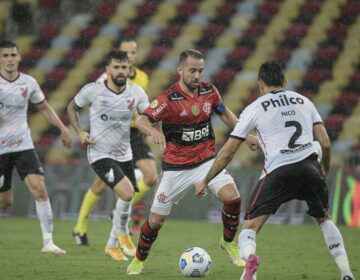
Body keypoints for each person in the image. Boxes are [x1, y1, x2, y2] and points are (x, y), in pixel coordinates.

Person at [195, 61, 355, 280]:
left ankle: (250, 261)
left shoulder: (255, 107)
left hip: (278, 170)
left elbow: (228, 152)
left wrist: (206, 179)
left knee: (250, 227)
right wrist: (324, 169)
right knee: (324, 218)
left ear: (260, 85)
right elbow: (325, 143)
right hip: (310, 165)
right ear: (285, 81)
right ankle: (346, 272)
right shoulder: (304, 101)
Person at [126, 49, 260, 275]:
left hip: (206, 161)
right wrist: (153, 132)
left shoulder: (209, 91)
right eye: (192, 71)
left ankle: (227, 243)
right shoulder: (167, 99)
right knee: (156, 221)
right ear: (180, 70)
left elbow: (225, 114)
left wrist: (245, 134)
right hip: (175, 168)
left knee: (233, 199)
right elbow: (142, 120)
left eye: (200, 71)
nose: (197, 76)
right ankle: (139, 259)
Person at [67, 50, 160, 262]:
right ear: (108, 70)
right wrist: (80, 132)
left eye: (123, 67)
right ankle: (122, 232)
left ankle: (111, 245)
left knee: (126, 197)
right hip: (100, 153)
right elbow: (72, 107)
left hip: (125, 152)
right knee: (127, 193)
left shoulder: (137, 92)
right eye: (116, 67)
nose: (120, 71)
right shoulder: (93, 91)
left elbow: (147, 118)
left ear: (129, 69)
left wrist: (154, 129)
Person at [0, 39, 72, 254]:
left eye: (13, 55)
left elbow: (45, 108)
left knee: (40, 188)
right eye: (5, 56)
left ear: (19, 57)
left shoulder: (29, 83)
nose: (10, 59)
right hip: (1, 149)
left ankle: (48, 242)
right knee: (5, 202)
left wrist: (63, 129)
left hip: (23, 145)